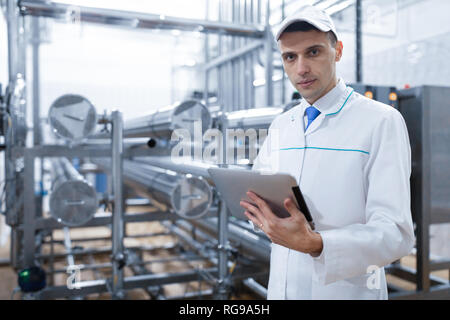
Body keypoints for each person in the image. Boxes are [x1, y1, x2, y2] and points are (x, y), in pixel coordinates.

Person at [239, 5, 415, 300]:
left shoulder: (380, 121)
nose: (301, 69)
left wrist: (316, 244)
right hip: (282, 289)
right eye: (290, 57)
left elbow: (396, 235)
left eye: (313, 52)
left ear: (338, 51)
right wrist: (258, 215)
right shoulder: (283, 124)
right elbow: (259, 199)